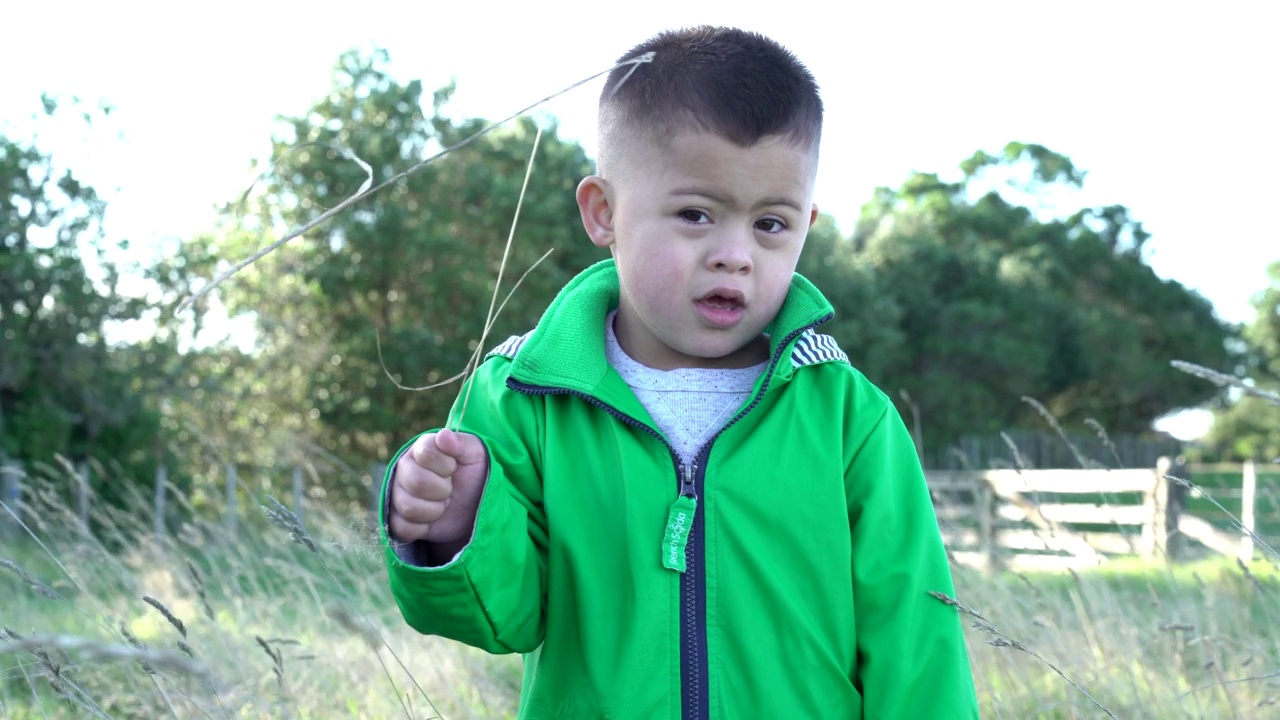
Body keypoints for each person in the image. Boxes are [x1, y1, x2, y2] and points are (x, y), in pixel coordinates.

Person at [380, 25, 979, 719]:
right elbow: (498, 619)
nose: (736, 254)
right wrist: (458, 528)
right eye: (696, 214)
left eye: (772, 225)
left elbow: (916, 640)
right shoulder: (521, 397)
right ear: (605, 213)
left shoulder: (847, 416)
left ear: (807, 225)